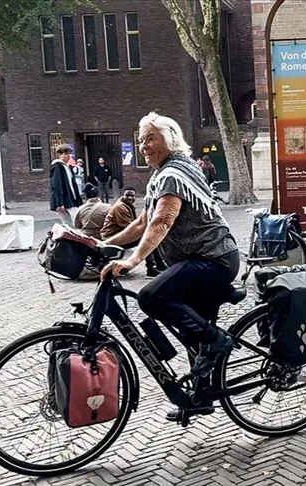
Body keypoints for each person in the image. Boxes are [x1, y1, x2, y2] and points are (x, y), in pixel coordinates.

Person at [101, 112, 239, 421]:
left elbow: (162, 220)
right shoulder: (163, 174)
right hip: (199, 260)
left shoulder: (173, 174)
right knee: (191, 332)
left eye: (151, 138)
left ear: (171, 140)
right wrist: (103, 243)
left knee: (152, 297)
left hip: (213, 259)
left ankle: (217, 340)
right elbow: (143, 222)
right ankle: (201, 397)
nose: (144, 146)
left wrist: (133, 260)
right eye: (141, 140)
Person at [102, 185, 165, 277]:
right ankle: (151, 268)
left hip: (119, 234)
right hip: (112, 238)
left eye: (132, 196)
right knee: (147, 238)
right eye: (127, 195)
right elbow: (130, 228)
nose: (130, 198)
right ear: (122, 195)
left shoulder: (126, 205)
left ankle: (159, 265)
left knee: (150, 236)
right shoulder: (120, 207)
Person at [50, 145, 82, 224]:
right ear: (60, 155)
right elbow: (57, 185)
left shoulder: (67, 167)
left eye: (69, 154)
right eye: (66, 154)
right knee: (72, 222)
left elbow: (73, 184)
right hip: (65, 200)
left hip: (71, 198)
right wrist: (59, 203)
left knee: (73, 222)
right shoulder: (57, 167)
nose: (69, 156)